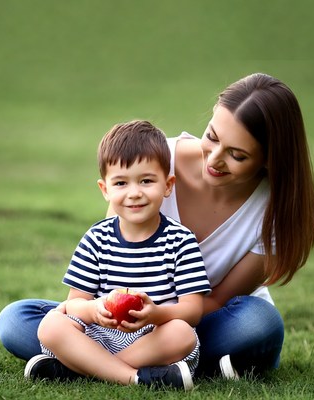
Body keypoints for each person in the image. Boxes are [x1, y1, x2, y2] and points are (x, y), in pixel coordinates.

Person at [0, 73, 314, 380]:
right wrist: (107, 314)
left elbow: (216, 301)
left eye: (236, 155)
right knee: (16, 320)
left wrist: (158, 317)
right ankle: (155, 371)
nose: (214, 160)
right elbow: (111, 262)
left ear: (269, 159)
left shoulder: (276, 211)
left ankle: (84, 364)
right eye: (212, 137)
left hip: (200, 319)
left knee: (257, 322)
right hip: (122, 323)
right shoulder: (153, 160)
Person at [23, 120, 211, 390]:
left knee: (182, 333)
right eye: (121, 183)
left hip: (152, 338)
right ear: (105, 190)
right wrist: (94, 310)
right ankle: (134, 378)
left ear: (168, 185)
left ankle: (85, 369)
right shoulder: (97, 238)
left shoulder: (181, 240)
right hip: (101, 333)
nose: (134, 193)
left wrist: (155, 314)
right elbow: (74, 304)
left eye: (146, 181)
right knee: (51, 324)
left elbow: (192, 311)